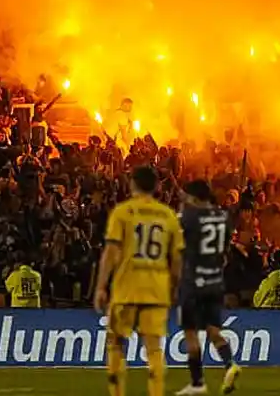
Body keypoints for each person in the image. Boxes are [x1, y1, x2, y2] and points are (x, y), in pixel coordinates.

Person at [94, 165, 184, 396]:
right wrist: (176, 287)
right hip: (157, 289)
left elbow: (111, 252)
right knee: (154, 348)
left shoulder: (122, 212)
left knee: (116, 344)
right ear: (156, 187)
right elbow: (176, 259)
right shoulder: (168, 216)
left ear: (132, 183)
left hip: (126, 288)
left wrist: (101, 286)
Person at [174, 180, 241, 395]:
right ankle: (230, 363)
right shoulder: (223, 218)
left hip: (193, 282)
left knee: (191, 333)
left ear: (193, 197)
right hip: (215, 282)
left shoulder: (188, 218)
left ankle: (197, 383)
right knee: (213, 330)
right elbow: (225, 251)